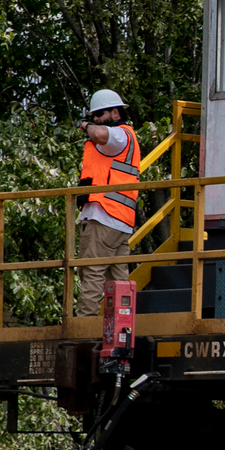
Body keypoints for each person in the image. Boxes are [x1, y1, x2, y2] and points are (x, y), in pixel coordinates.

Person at [74, 89, 142, 317]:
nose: (94, 120)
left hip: (104, 218)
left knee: (91, 273)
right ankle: (121, 331)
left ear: (115, 112)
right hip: (119, 222)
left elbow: (100, 135)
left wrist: (83, 126)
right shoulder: (122, 138)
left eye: (99, 114)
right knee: (118, 281)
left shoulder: (119, 135)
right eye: (92, 116)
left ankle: (85, 330)